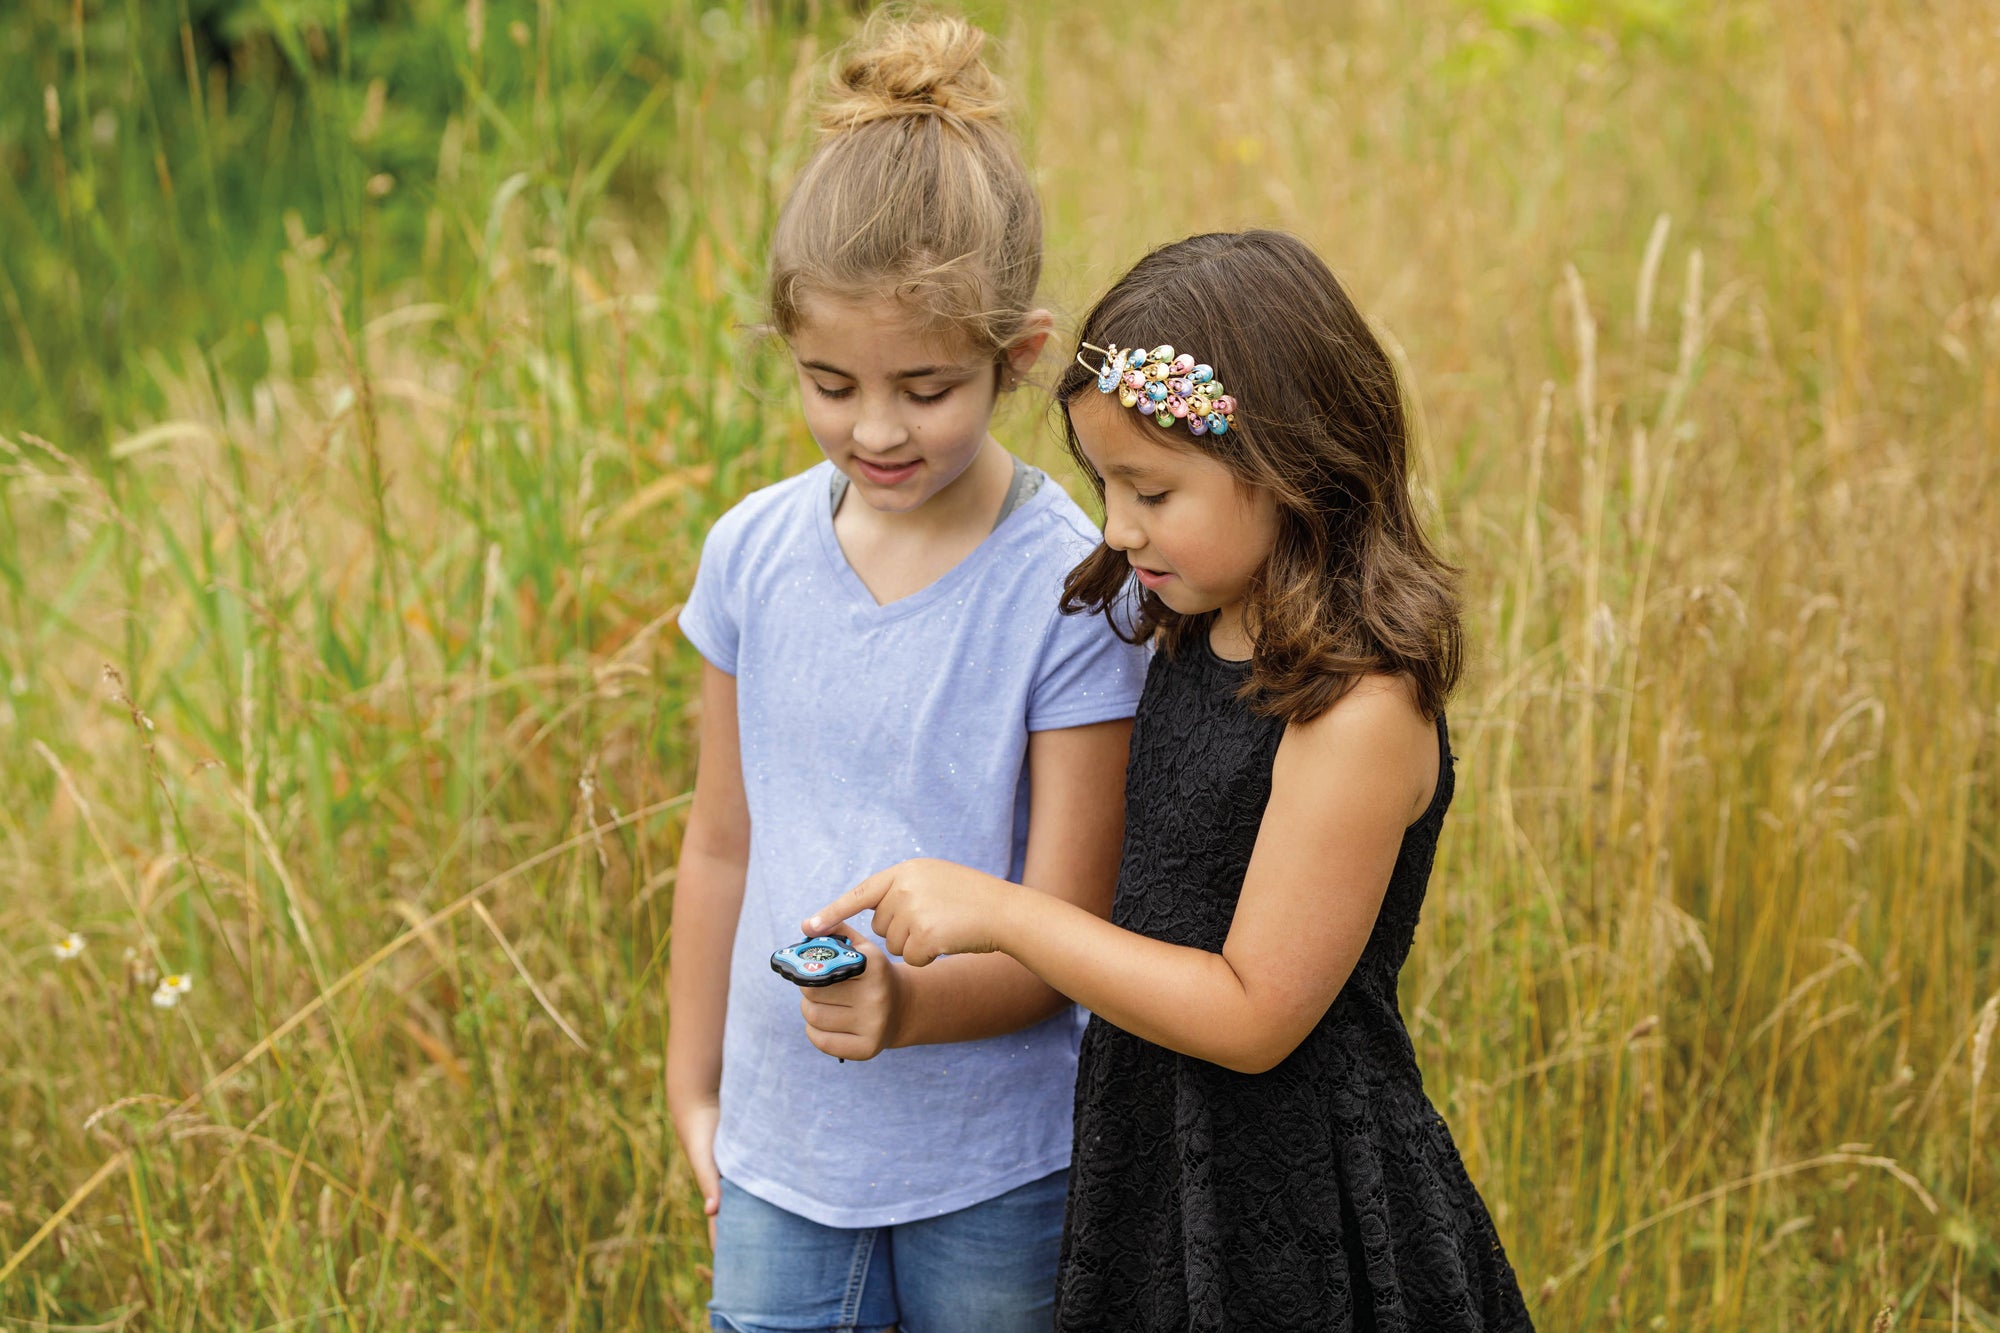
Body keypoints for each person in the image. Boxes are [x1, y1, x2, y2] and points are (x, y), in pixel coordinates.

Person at [807, 230, 1535, 1331]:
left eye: (1151, 490)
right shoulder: (1197, 624)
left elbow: (1251, 1015)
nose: (1117, 526)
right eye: (1105, 485)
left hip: (1296, 1200)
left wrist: (1004, 914)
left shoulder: (1358, 709)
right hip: (1152, 1161)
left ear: (1287, 466)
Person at [667, 11, 1148, 1333]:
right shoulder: (751, 554)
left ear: (1020, 355)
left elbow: (1067, 938)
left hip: (996, 1164)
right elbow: (720, 842)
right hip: (781, 1151)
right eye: (829, 381)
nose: (875, 428)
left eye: (927, 388)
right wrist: (694, 1090)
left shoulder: (1072, 584)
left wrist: (907, 1005)